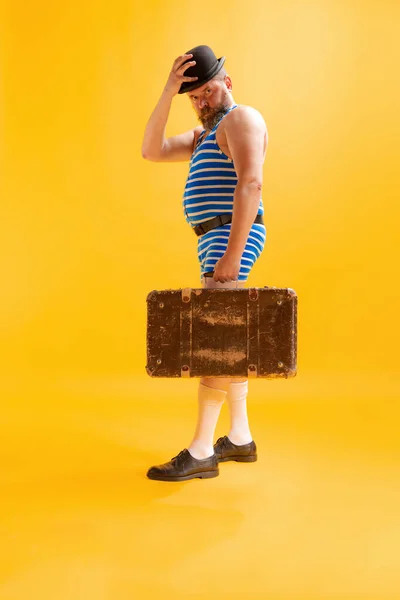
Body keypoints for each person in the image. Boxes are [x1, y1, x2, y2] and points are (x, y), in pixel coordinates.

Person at [141, 45, 268, 481]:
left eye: (207, 91)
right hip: (213, 240)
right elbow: (152, 149)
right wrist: (169, 88)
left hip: (230, 236)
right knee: (227, 336)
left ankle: (199, 451)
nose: (200, 102)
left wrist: (233, 254)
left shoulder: (241, 119)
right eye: (192, 96)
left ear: (227, 83)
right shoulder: (201, 137)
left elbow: (250, 183)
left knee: (215, 340)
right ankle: (239, 438)